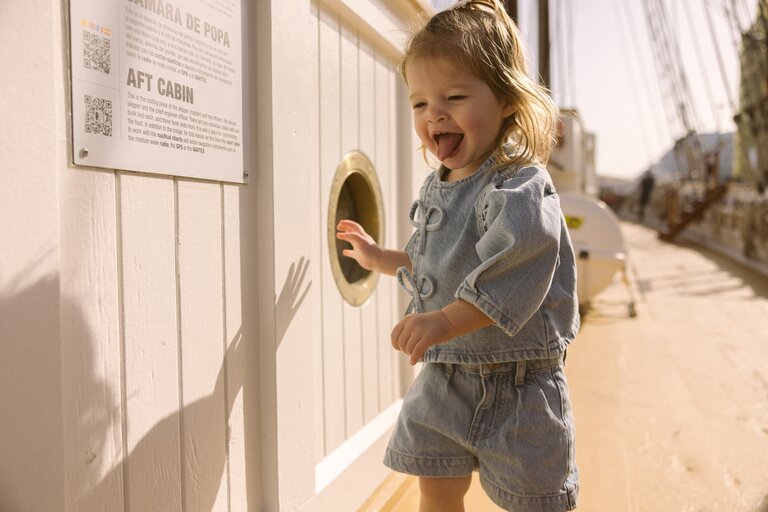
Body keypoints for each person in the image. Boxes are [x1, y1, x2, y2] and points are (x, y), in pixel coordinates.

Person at [336, 1, 579, 510]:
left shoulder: (520, 187)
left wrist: (443, 321)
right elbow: (436, 265)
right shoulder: (438, 186)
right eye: (420, 103)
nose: (434, 115)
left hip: (520, 385)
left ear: (508, 100)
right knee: (436, 488)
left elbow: (516, 268)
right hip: (445, 375)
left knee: (534, 500)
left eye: (454, 96)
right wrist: (379, 256)